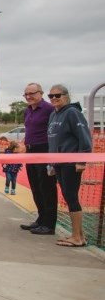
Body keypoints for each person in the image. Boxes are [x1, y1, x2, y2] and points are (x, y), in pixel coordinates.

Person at [46, 84, 93, 247]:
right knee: (68, 196)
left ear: (66, 96)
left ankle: (77, 237)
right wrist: (50, 163)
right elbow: (52, 141)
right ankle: (78, 234)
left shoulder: (72, 113)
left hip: (70, 163)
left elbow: (84, 137)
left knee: (71, 197)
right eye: (50, 96)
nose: (53, 99)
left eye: (57, 95)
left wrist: (81, 160)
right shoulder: (54, 115)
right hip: (59, 163)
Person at [21, 83, 58, 235]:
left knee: (47, 187)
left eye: (32, 93)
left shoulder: (49, 109)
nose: (29, 97)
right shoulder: (27, 111)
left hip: (44, 151)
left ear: (41, 93)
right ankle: (41, 219)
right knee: (35, 187)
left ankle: (49, 224)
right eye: (26, 94)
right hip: (30, 151)